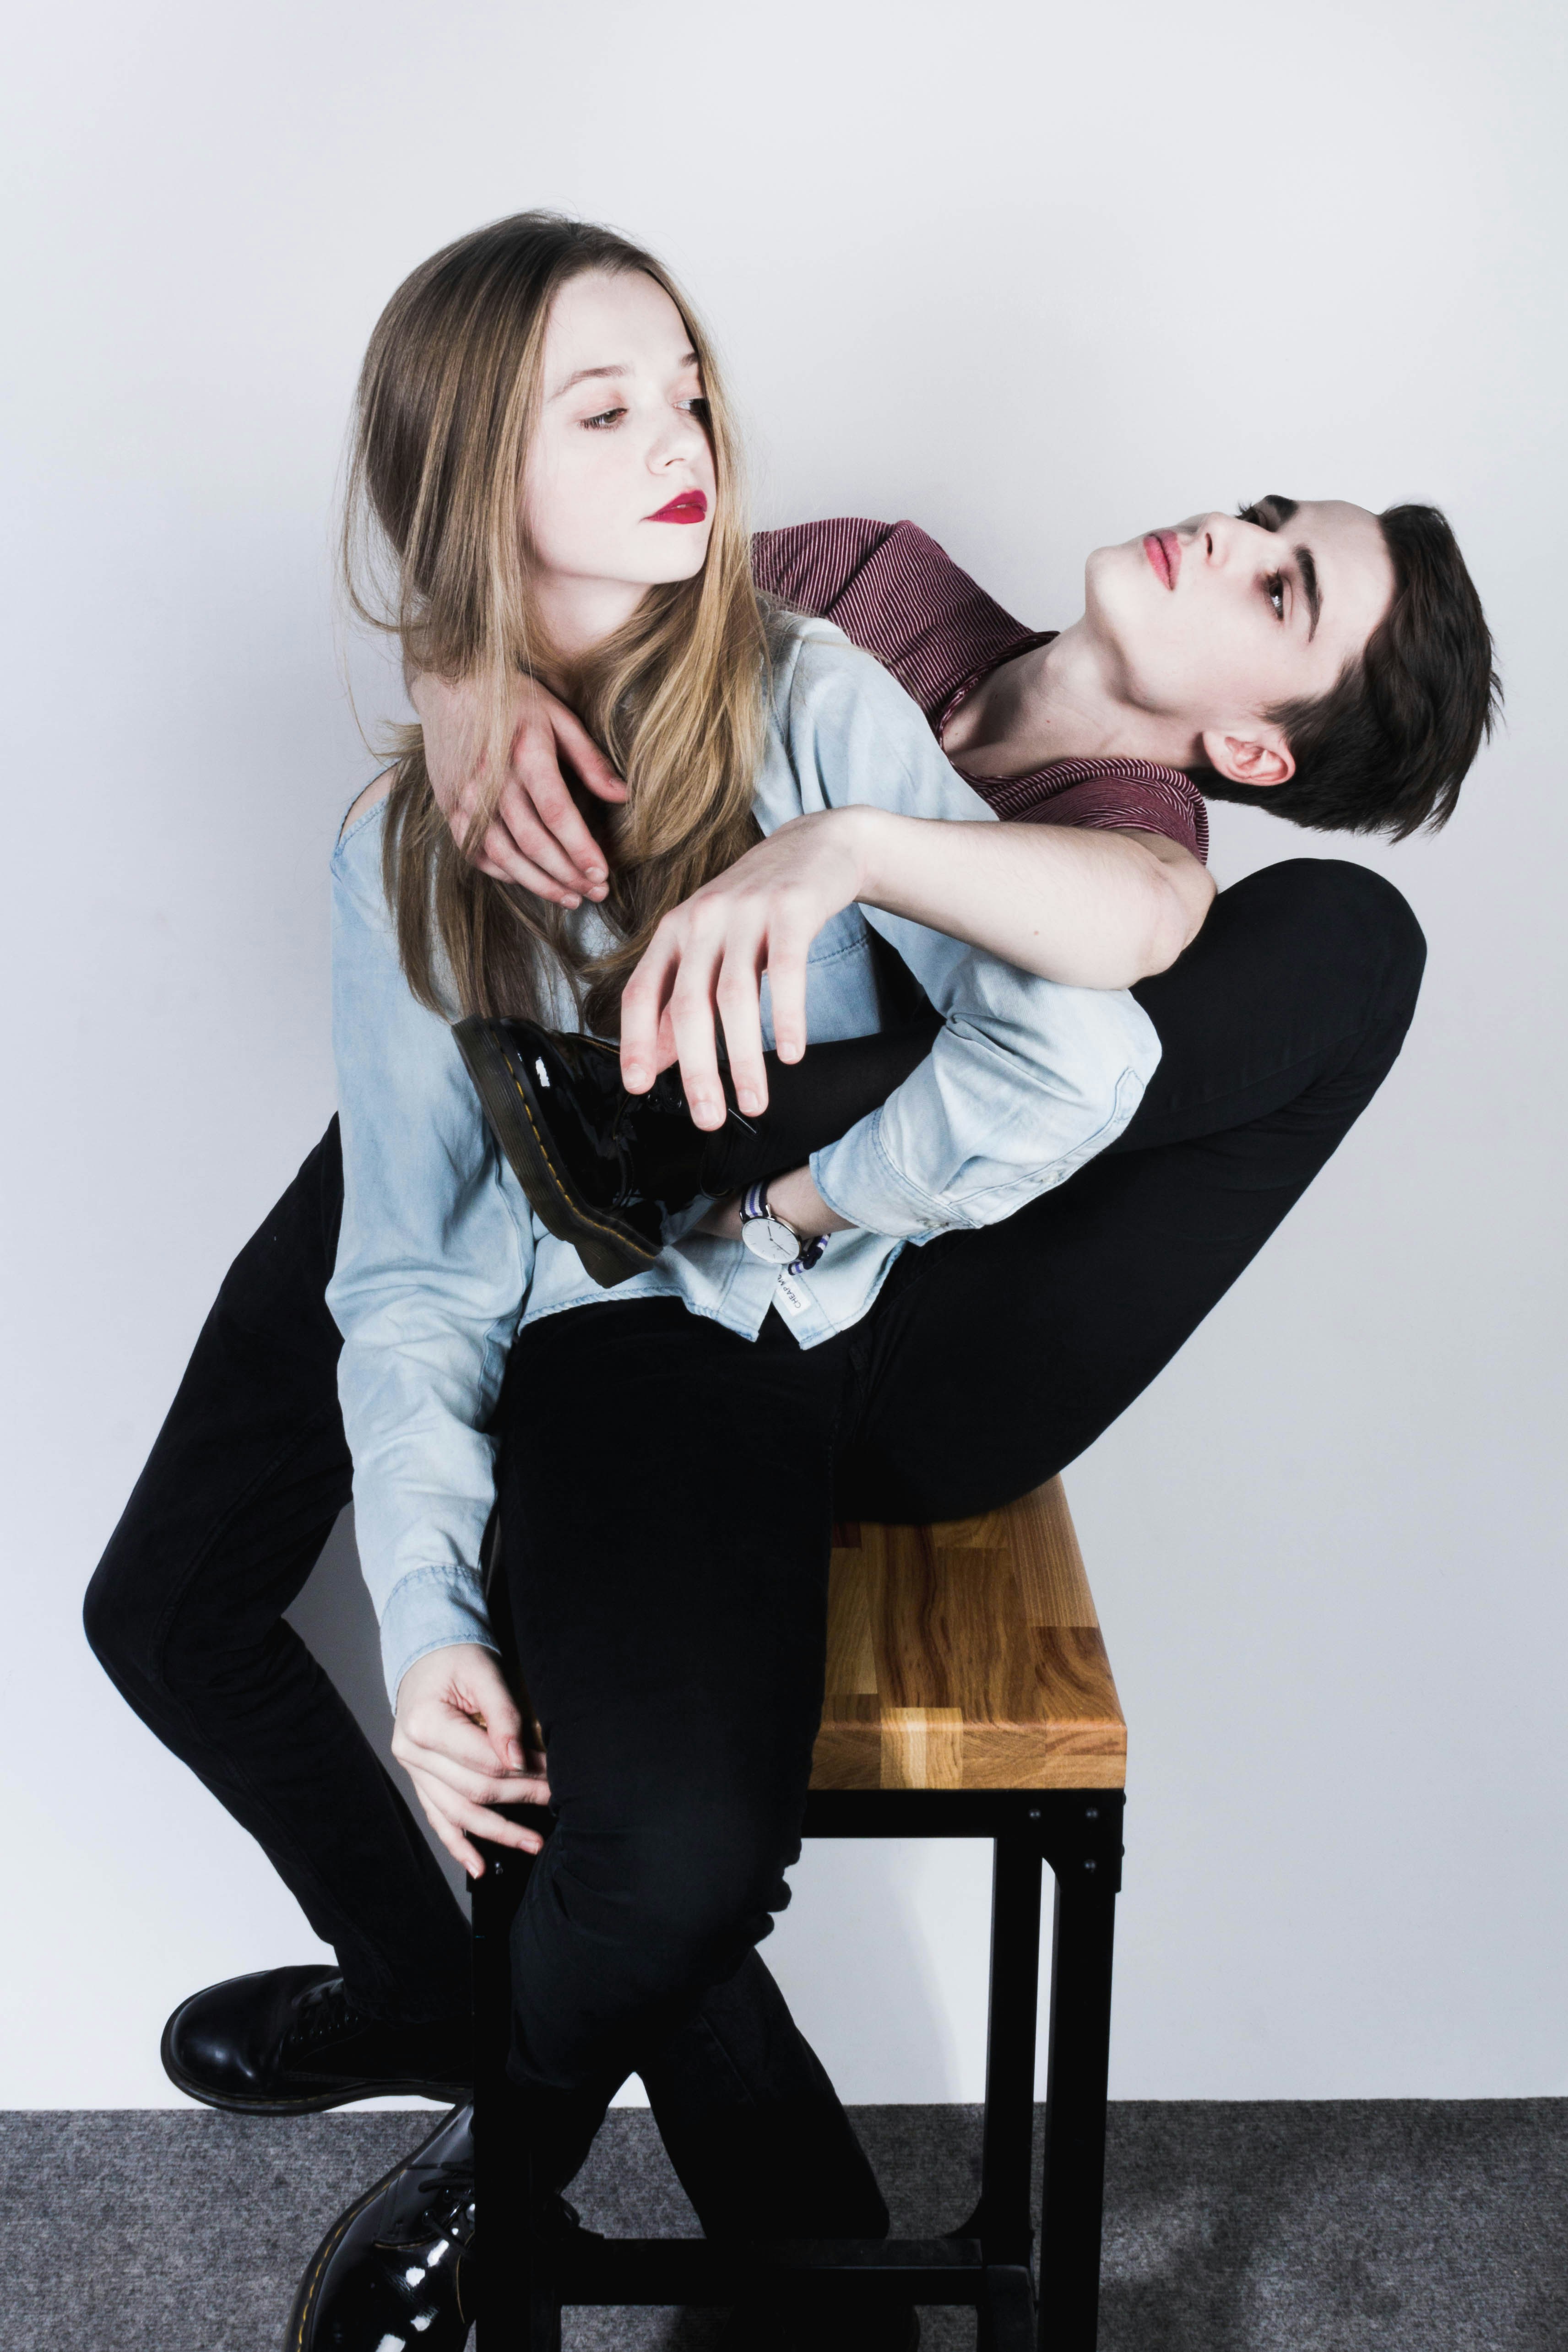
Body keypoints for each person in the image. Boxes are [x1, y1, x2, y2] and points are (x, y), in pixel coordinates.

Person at [77, 207, 1494, 2346]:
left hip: (784, 1271)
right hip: (501, 1108)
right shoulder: (873, 586)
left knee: (642, 1780)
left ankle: (515, 2106)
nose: (1230, 528)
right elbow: (581, 561)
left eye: (1281, 583)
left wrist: (829, 918)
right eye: (1268, 513)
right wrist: (462, 682)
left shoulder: (1133, 840)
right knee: (179, 1599)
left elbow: (1086, 992)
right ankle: (449, 2003)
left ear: (1261, 747)